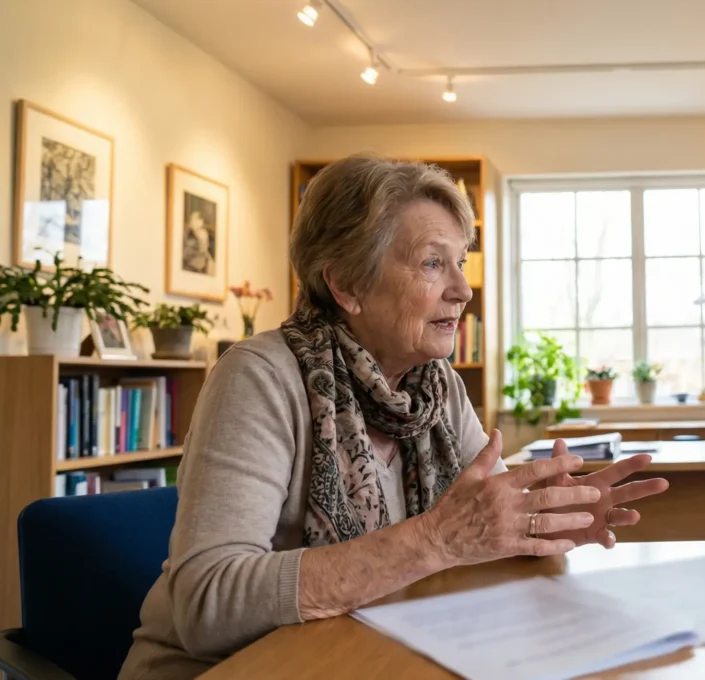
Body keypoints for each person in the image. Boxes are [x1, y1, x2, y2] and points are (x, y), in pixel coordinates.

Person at [119, 155, 669, 679]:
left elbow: (484, 526)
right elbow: (207, 604)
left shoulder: (438, 387)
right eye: (433, 263)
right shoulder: (259, 378)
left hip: (367, 655)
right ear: (346, 284)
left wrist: (548, 519)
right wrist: (434, 541)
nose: (463, 288)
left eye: (460, 262)